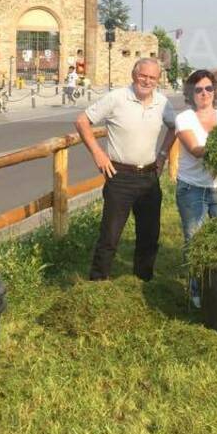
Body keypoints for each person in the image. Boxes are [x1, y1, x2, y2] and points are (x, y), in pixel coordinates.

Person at [75, 57, 176, 282]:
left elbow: (175, 127)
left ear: (158, 80)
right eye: (143, 76)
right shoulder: (116, 98)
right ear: (134, 75)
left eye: (152, 77)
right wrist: (98, 154)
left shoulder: (163, 103)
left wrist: (162, 155)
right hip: (120, 177)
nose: (147, 81)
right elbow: (82, 121)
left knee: (149, 235)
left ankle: (143, 282)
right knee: (110, 236)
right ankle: (98, 283)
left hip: (149, 177)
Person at [174, 69, 217, 308]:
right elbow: (194, 149)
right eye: (198, 89)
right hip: (192, 188)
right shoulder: (184, 118)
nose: (204, 93)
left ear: (215, 91)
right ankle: (196, 293)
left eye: (208, 88)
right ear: (190, 93)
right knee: (195, 240)